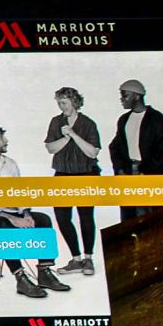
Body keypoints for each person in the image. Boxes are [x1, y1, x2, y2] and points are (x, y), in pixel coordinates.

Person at [0, 125, 71, 299]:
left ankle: (44, 271)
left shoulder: (10, 164)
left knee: (43, 220)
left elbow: (20, 193)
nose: (6, 141)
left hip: (11, 213)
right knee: (3, 226)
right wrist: (10, 218)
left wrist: (26, 214)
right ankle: (20, 277)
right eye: (1, 137)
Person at [45, 87, 102, 275]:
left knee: (86, 216)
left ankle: (88, 259)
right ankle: (76, 259)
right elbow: (51, 148)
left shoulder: (88, 123)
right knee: (62, 217)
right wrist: (66, 136)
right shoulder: (56, 121)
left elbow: (92, 152)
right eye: (59, 103)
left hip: (86, 175)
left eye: (64, 103)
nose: (61, 107)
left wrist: (74, 134)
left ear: (74, 102)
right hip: (62, 175)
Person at [108, 78, 163, 222]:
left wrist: (144, 169)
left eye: (125, 95)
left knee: (154, 217)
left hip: (152, 175)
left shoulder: (156, 118)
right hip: (128, 173)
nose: (122, 99)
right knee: (131, 219)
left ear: (137, 96)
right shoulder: (124, 120)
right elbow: (115, 147)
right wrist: (120, 169)